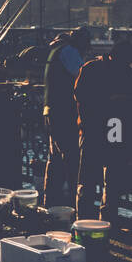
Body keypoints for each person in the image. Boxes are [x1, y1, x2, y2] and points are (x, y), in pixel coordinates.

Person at [74, 37, 132, 225]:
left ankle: (85, 220)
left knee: (92, 180)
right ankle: (103, 221)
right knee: (108, 179)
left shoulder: (91, 68)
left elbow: (79, 95)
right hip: (108, 128)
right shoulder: (120, 71)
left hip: (94, 129)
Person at [42, 27, 90, 207]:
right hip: (64, 112)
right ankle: (73, 204)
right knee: (71, 158)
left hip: (51, 110)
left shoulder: (56, 50)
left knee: (54, 159)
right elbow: (82, 76)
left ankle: (51, 202)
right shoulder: (69, 52)